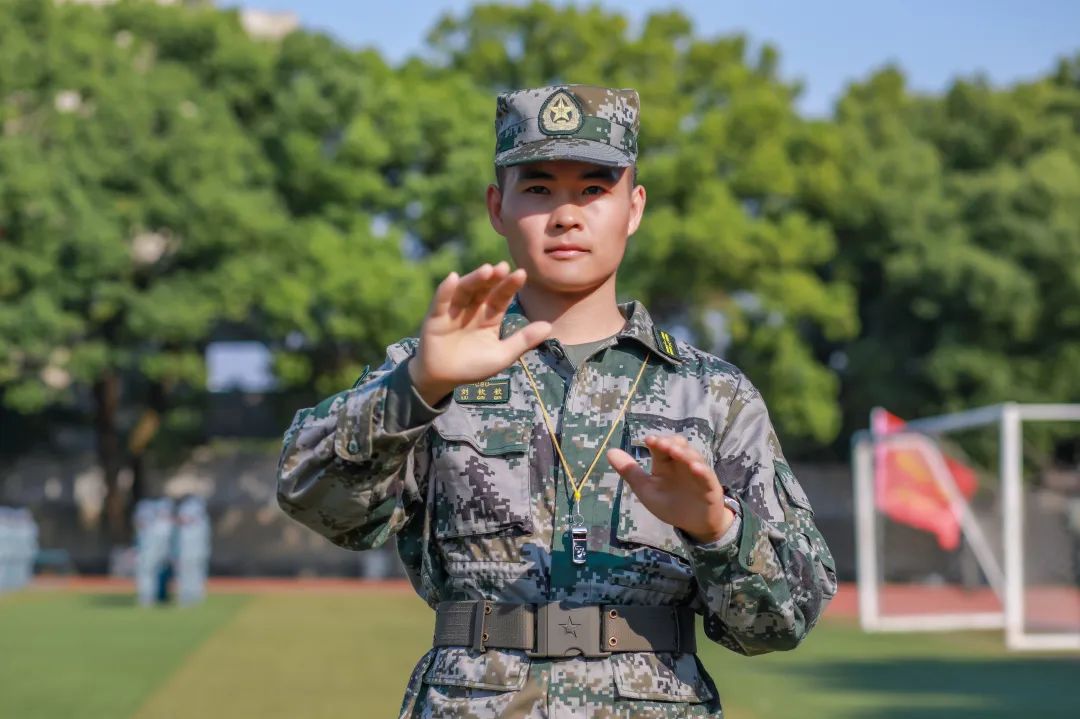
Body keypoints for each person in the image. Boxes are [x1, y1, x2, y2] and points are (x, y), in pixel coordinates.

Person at [277, 84, 837, 718]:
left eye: (594, 189)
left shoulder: (712, 393)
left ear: (634, 207)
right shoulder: (435, 366)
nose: (566, 215)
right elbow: (314, 499)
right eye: (539, 189)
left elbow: (787, 617)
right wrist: (416, 389)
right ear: (498, 207)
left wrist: (717, 531)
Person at [174, 495, 211, 606]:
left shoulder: (199, 524)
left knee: (193, 574)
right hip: (192, 553)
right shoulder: (202, 523)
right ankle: (190, 596)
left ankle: (192, 596)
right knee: (188, 574)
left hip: (193, 553)